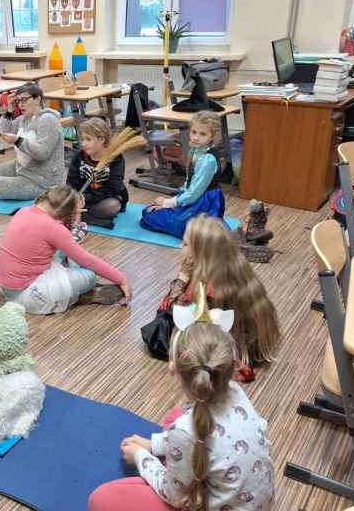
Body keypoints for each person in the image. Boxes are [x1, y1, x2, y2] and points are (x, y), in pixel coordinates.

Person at [89, 322, 275, 511]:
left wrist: (141, 457)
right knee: (176, 417)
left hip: (202, 497)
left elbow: (174, 495)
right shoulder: (236, 391)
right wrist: (154, 445)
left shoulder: (186, 430)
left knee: (101, 499)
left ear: (174, 368)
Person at [141, 215, 281, 379]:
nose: (181, 246)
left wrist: (183, 276)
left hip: (222, 351)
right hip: (250, 345)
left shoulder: (205, 288)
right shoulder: (237, 269)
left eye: (185, 243)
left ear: (200, 253)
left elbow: (171, 312)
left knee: (157, 330)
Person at [0, 184, 132, 315]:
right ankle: (80, 295)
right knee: (90, 276)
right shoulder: (53, 228)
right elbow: (86, 260)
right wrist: (122, 279)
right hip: (29, 294)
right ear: (67, 213)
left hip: (6, 288)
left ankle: (73, 292)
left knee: (66, 251)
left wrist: (72, 214)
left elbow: (64, 238)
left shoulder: (24, 211)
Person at [0, 84, 64, 200]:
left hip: (42, 181)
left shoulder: (48, 119)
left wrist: (17, 140)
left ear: (38, 99)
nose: (20, 104)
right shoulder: (23, 119)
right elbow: (1, 133)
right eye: (18, 101)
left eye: (24, 100)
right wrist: (9, 111)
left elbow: (43, 153)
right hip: (21, 168)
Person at [140, 111, 225, 239]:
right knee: (148, 211)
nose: (196, 137)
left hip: (206, 203)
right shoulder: (195, 150)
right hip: (195, 198)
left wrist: (167, 202)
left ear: (212, 136)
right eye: (194, 132)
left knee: (151, 218)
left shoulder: (207, 160)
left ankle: (205, 231)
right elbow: (189, 182)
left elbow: (194, 193)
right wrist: (177, 198)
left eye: (203, 134)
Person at [67, 118, 129, 230]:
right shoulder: (79, 156)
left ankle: (80, 214)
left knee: (112, 206)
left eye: (88, 139)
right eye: (82, 139)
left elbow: (114, 188)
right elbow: (71, 182)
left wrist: (86, 198)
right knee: (56, 196)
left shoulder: (116, 159)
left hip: (105, 197)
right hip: (82, 197)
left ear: (101, 139)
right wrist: (75, 197)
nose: (83, 143)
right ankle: (86, 215)